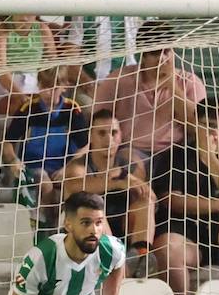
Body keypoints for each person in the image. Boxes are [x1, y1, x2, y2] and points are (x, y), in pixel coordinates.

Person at [150, 103, 219, 295]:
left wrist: (209, 158)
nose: (214, 132)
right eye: (208, 125)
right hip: (185, 232)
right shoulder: (175, 155)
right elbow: (173, 200)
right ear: (195, 126)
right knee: (168, 247)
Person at [91, 21, 209, 159]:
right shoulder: (118, 79)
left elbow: (198, 127)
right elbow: (97, 123)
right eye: (155, 53)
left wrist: (171, 85)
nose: (161, 59)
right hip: (130, 150)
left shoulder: (189, 81)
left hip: (175, 151)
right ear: (143, 55)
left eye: (166, 51)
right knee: (131, 164)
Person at [61, 108, 155, 270]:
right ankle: (119, 265)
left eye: (113, 133)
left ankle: (141, 255)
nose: (109, 139)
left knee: (145, 203)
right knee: (95, 213)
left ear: (120, 136)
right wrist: (117, 182)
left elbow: (151, 197)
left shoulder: (131, 164)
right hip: (87, 234)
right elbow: (76, 186)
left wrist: (128, 178)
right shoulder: (78, 166)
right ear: (91, 136)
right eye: (102, 133)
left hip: (123, 225)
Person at [1, 65, 87, 212]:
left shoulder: (72, 110)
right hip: (32, 167)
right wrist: (14, 160)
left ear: (64, 87)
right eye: (44, 87)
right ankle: (45, 222)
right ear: (39, 85)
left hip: (62, 168)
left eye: (54, 88)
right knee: (43, 180)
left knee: (77, 182)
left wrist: (67, 168)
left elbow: (85, 146)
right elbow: (7, 142)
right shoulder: (28, 109)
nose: (48, 93)